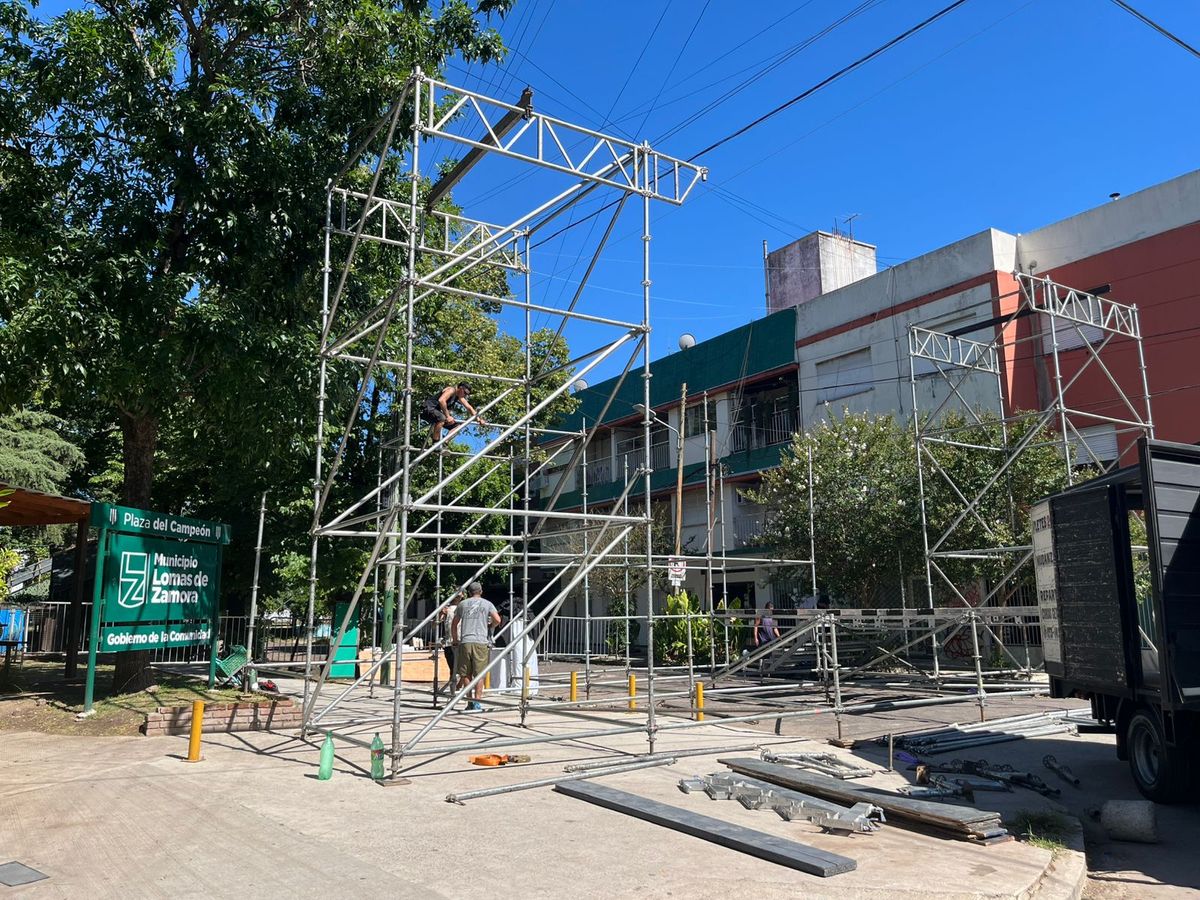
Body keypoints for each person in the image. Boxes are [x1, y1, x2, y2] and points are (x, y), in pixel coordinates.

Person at [451, 581, 501, 712]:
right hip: (481, 641)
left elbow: (454, 623)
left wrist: (455, 639)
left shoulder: (462, 604)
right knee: (480, 674)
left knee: (465, 674)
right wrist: (490, 626)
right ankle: (477, 702)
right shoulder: (487, 604)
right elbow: (497, 620)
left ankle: (469, 702)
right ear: (481, 591)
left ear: (469, 592)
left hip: (466, 641)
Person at [420, 383, 486, 445]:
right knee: (442, 418)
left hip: (436, 413)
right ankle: (435, 443)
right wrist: (448, 416)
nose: (465, 395)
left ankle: (444, 443)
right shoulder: (451, 390)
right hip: (428, 409)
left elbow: (469, 408)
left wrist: (479, 419)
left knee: (457, 427)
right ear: (460, 388)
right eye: (465, 393)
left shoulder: (459, 396)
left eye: (467, 394)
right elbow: (441, 400)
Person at [437, 593, 462, 696]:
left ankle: (458, 687)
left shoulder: (464, 607)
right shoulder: (447, 609)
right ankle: (453, 693)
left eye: (460, 594)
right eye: (456, 594)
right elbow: (435, 623)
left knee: (464, 669)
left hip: (462, 641)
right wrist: (440, 614)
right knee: (453, 669)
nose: (458, 596)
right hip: (449, 642)